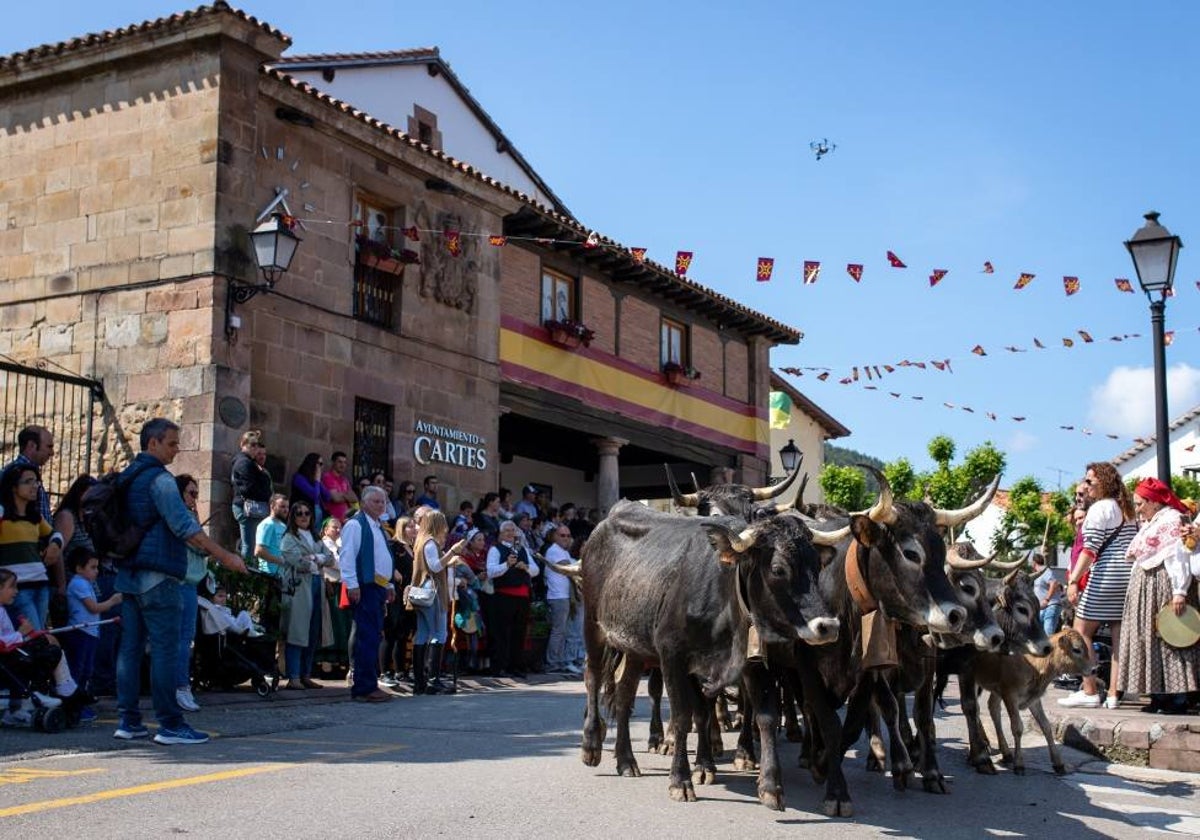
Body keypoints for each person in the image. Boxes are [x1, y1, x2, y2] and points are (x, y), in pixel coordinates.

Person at [115, 418, 246, 745]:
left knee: (130, 651)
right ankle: (171, 725)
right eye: (172, 443)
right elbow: (186, 529)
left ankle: (128, 722)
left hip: (129, 575)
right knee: (165, 652)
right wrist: (226, 556)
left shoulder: (127, 478)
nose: (177, 449)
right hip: (158, 578)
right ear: (153, 444)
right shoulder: (160, 481)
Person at [1059, 461, 1137, 710]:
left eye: (1090, 481)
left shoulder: (1100, 508)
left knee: (1079, 631)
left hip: (1106, 574)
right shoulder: (1126, 508)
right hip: (1127, 575)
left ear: (1103, 482)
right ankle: (1113, 694)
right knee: (1118, 637)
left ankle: (1090, 690)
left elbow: (1090, 549)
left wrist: (1072, 580)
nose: (1086, 485)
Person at [1116, 478, 1198, 714]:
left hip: (1164, 585)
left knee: (1172, 638)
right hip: (1146, 588)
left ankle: (1178, 698)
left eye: (1141, 503)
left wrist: (1180, 591)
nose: (1138, 508)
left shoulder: (1173, 520)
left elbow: (1179, 555)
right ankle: (1158, 696)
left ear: (1153, 502)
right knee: (1148, 640)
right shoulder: (1152, 522)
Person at [0, 568, 87, 726]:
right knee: (50, 652)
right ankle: (59, 689)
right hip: (7, 659)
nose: (16, 591)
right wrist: (21, 633)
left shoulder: (4, 610)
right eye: (12, 587)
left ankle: (64, 686)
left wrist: (26, 635)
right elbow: (3, 643)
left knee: (46, 641)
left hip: (9, 656)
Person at [338, 485, 395, 702]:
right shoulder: (355, 525)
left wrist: (389, 585)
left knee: (373, 635)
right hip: (365, 587)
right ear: (363, 503)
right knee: (367, 637)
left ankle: (369, 683)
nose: (380, 505)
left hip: (378, 587)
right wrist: (352, 584)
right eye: (376, 501)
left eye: (383, 502)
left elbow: (383, 557)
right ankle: (364, 687)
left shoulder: (378, 526)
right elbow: (347, 556)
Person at [61, 549, 121, 722]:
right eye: (93, 567)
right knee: (78, 669)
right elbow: (93, 608)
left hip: (89, 632)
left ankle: (80, 703)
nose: (97, 571)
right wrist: (113, 601)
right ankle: (73, 704)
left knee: (87, 670)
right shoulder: (79, 583)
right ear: (79, 568)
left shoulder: (86, 583)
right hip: (80, 631)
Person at [410, 510, 465, 695]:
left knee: (423, 634)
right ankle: (433, 680)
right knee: (439, 633)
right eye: (443, 523)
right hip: (432, 592)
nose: (446, 528)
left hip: (422, 591)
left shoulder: (420, 541)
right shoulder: (430, 542)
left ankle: (420, 683)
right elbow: (435, 566)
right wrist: (452, 552)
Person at [0, 465, 61, 632]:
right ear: (14, 487)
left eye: (36, 482)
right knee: (33, 636)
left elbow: (55, 535)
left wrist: (55, 545)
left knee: (37, 633)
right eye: (28, 481)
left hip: (41, 584)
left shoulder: (35, 517)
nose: (35, 486)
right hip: (18, 587)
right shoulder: (2, 515)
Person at [279, 502, 332, 689]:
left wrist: (315, 558)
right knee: (297, 631)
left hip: (317, 584)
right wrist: (316, 560)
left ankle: (306, 674)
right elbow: (294, 560)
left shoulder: (316, 537)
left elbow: (330, 557)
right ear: (292, 517)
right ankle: (293, 676)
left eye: (307, 513)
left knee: (313, 631)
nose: (303, 516)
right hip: (299, 587)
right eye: (299, 513)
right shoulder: (289, 537)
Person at [485, 519, 540, 679]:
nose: (510, 533)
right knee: (502, 633)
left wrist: (526, 568)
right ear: (501, 533)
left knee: (519, 633)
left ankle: (516, 666)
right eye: (507, 530)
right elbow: (490, 571)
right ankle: (500, 667)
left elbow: (536, 570)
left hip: (522, 597)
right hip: (503, 596)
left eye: (512, 530)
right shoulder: (495, 549)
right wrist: (506, 565)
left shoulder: (522, 549)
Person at [174, 474, 207, 713]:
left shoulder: (189, 516)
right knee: (182, 640)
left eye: (197, 494)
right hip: (181, 582)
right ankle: (179, 686)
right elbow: (201, 545)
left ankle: (180, 685)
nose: (195, 498)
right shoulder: (181, 517)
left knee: (185, 638)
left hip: (191, 582)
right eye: (191, 493)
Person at [543, 524, 582, 676]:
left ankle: (563, 660)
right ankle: (553, 663)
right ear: (555, 537)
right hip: (558, 596)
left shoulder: (563, 552)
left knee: (567, 631)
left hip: (566, 596)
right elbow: (570, 566)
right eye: (562, 535)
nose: (566, 538)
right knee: (559, 631)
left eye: (568, 535)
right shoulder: (554, 551)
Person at [382, 516, 416, 687]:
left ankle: (400, 670)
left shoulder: (413, 547)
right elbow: (386, 562)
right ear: (402, 528)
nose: (414, 528)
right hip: (395, 594)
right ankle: (385, 671)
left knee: (403, 634)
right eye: (410, 526)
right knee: (391, 633)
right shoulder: (393, 545)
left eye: (414, 525)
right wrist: (394, 571)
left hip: (409, 595)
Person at [230, 430, 272, 563]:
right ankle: (246, 577)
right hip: (246, 508)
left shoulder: (247, 462)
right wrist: (267, 494)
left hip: (249, 507)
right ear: (243, 444)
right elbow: (249, 489)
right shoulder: (244, 462)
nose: (255, 448)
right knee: (249, 546)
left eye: (257, 445)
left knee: (250, 545)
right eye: (252, 445)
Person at [290, 453, 332, 536]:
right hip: (304, 514)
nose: (322, 467)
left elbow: (327, 496)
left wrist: (318, 481)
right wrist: (317, 480)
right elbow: (314, 496)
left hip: (317, 513)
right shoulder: (299, 478)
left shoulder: (316, 479)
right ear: (312, 464)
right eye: (320, 464)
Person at [254, 494, 289, 576]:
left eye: (287, 507)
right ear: (272, 506)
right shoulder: (267, 524)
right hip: (268, 576)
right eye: (282, 506)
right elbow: (259, 551)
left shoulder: (283, 526)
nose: (286, 510)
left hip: (282, 576)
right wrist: (281, 561)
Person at [1030, 551, 1062, 637]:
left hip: (1050, 605)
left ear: (1034, 562)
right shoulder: (1037, 575)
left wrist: (1046, 599)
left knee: (1048, 634)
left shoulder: (1045, 571)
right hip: (1042, 608)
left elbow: (1053, 583)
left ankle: (1051, 649)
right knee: (1040, 635)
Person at [321, 451, 357, 522]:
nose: (342, 465)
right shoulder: (327, 477)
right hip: (333, 521)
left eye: (344, 462)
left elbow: (354, 498)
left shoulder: (345, 480)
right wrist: (346, 495)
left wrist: (341, 495)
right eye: (340, 462)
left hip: (346, 519)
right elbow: (335, 498)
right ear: (333, 463)